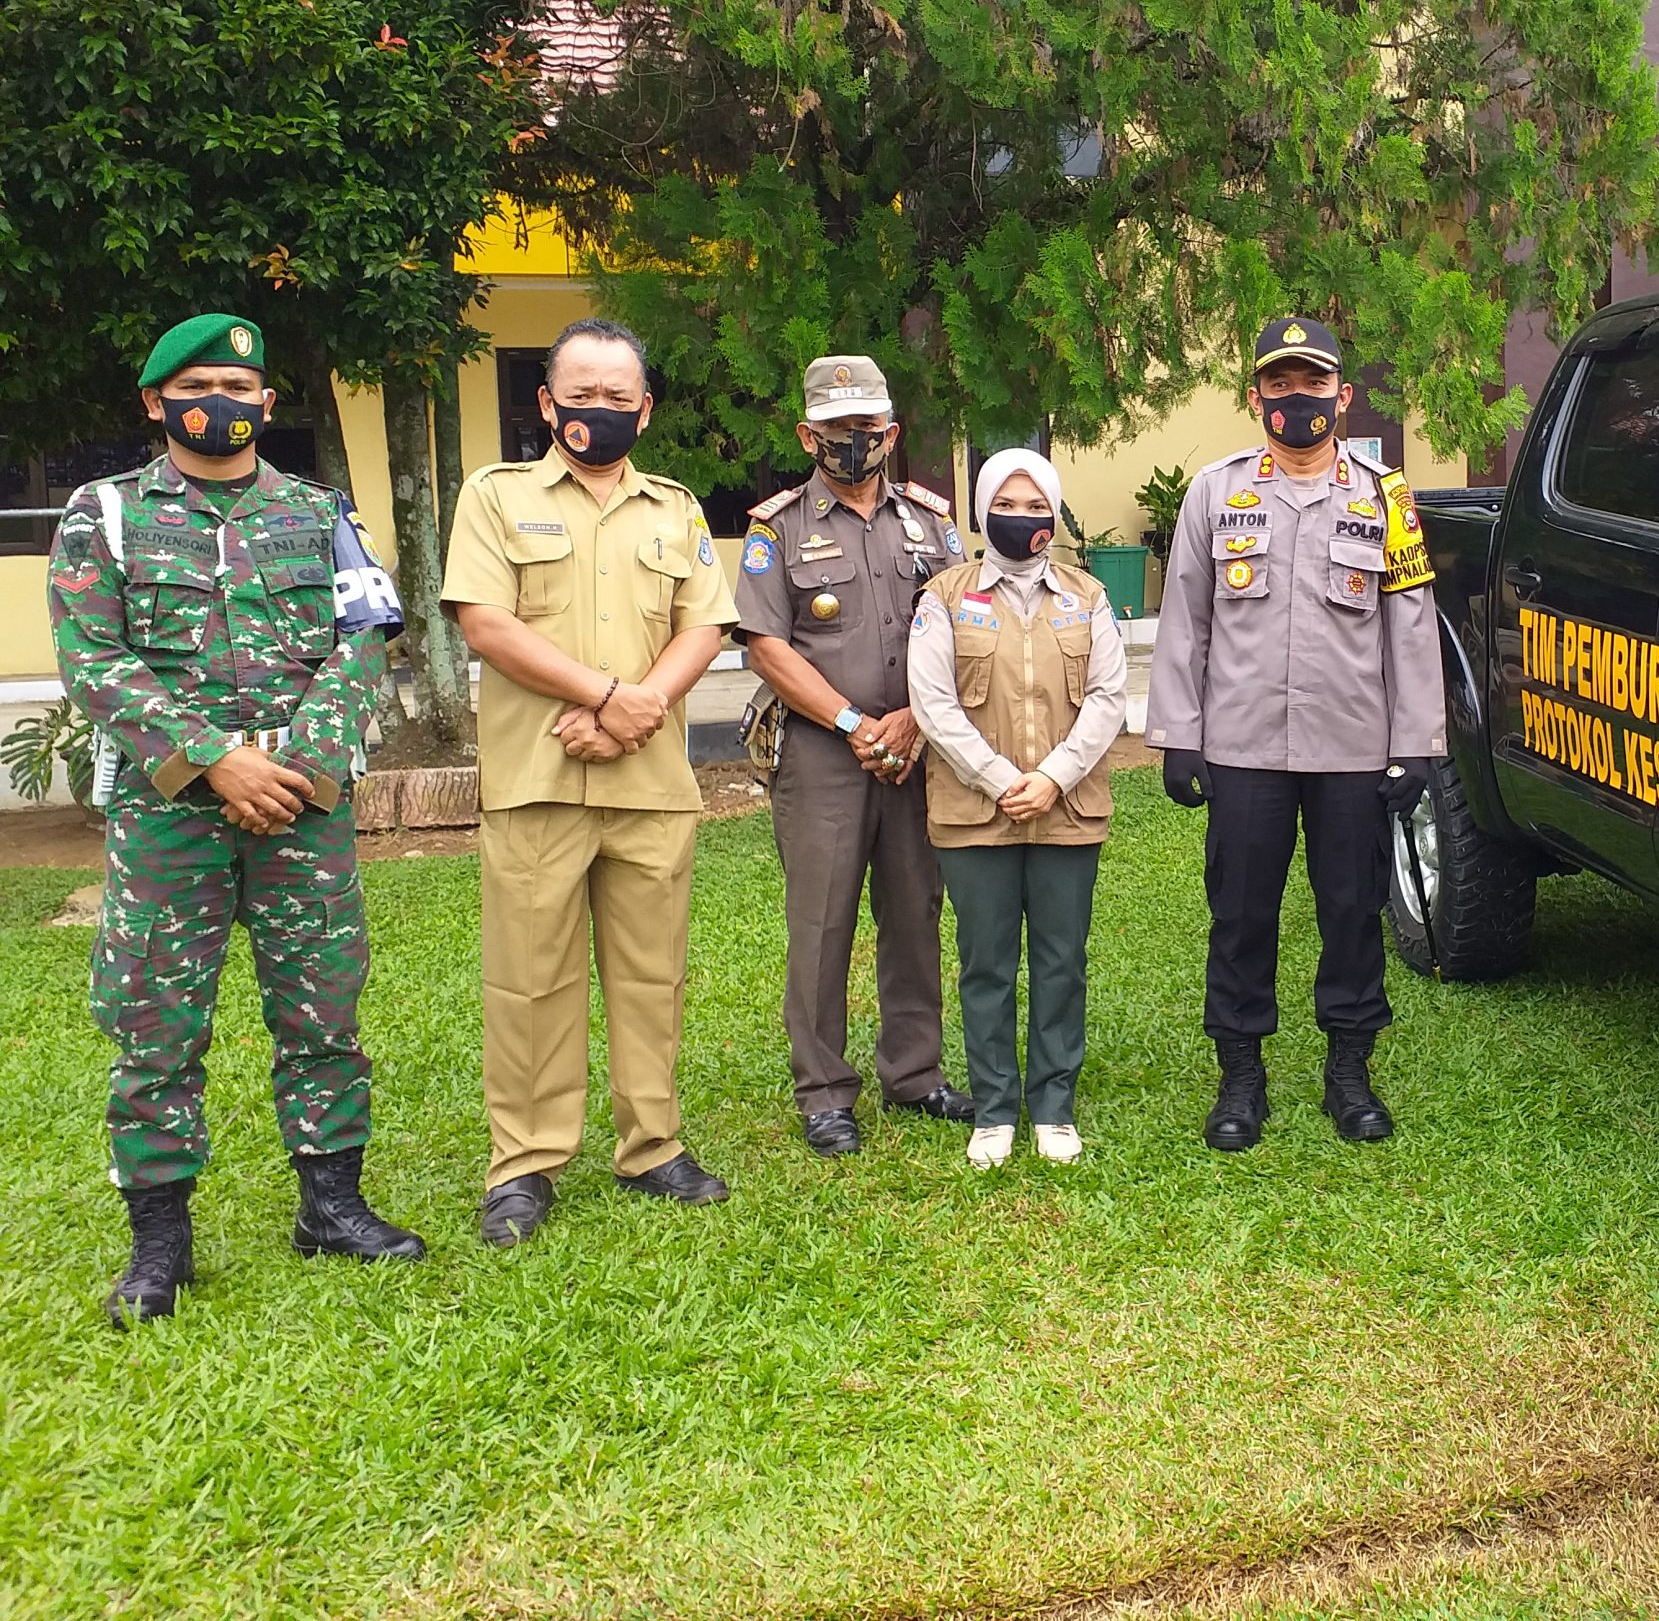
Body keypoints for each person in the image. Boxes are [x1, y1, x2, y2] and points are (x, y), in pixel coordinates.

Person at [48, 311, 422, 1327]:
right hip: (173, 811)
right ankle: (160, 1239)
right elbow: (93, 658)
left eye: (241, 386)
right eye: (199, 383)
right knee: (157, 1022)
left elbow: (364, 641)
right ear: (157, 402)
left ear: (266, 403)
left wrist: (295, 762)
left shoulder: (318, 511)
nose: (222, 400)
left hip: (302, 807)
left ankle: (332, 1207)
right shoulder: (106, 515)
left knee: (322, 1011)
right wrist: (219, 762)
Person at [442, 319, 738, 1246]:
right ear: (546, 402)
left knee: (653, 977)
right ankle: (525, 1166)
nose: (597, 410)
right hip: (537, 779)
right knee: (529, 980)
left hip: (649, 783)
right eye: (581, 393)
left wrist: (639, 707)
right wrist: (610, 695)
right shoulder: (495, 498)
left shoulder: (676, 510)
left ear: (644, 411)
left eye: (618, 397)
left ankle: (653, 1147)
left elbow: (705, 625)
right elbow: (485, 622)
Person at [1146, 315, 1448, 1150]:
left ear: (1342, 396)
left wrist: (1417, 738)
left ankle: (1348, 1074)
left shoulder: (1386, 496)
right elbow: (1187, 620)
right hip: (1243, 749)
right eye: (1279, 384)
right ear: (1256, 398)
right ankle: (1241, 1079)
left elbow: (1410, 621)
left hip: (1353, 749)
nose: (1297, 399)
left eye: (1313, 384)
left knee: (1351, 910)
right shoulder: (1214, 491)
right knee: (1241, 914)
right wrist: (1178, 734)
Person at [735, 356, 974, 1157]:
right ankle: (826, 1091)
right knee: (822, 921)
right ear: (808, 435)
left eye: (867, 430)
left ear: (891, 433)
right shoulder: (777, 529)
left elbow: (962, 629)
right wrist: (853, 724)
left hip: (917, 750)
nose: (852, 445)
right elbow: (767, 647)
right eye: (836, 432)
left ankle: (914, 1072)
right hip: (822, 756)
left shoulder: (935, 525)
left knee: (915, 913)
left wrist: (912, 718)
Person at [909, 449, 1128, 1168]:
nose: (1023, 518)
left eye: (1039, 507)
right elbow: (933, 705)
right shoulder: (944, 596)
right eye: (1009, 503)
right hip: (975, 813)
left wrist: (1055, 778)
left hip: (1068, 810)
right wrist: (1003, 778)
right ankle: (997, 1107)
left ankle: (1055, 1106)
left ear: (1055, 515)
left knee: (1063, 960)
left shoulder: (1088, 597)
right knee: (987, 963)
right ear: (981, 509)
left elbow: (1105, 700)